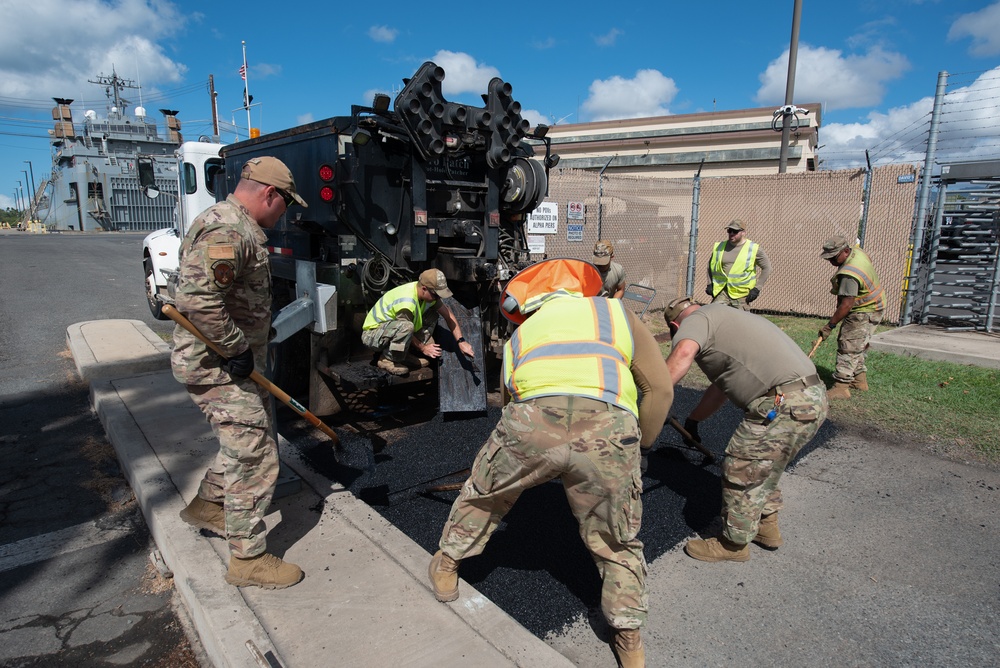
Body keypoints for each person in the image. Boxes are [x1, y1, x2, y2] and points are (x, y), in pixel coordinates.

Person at [428, 259, 673, 668]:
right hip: (608, 430)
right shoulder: (616, 313)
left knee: (485, 493)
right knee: (617, 536)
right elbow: (659, 389)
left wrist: (532, 461)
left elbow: (510, 404)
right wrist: (639, 448)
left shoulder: (520, 335)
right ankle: (628, 635)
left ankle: (448, 564)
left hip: (531, 425)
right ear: (584, 289)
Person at [174, 156, 308, 589]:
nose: (284, 213)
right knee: (256, 456)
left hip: (231, 363)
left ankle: (209, 506)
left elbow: (229, 296)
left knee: (250, 438)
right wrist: (236, 349)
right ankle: (248, 559)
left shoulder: (234, 224)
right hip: (218, 367)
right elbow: (199, 301)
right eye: (285, 203)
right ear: (269, 193)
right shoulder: (228, 228)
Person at [663, 296, 828, 563]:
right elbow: (720, 390)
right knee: (764, 465)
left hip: (782, 403)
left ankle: (733, 544)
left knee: (741, 467)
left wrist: (651, 400)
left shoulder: (696, 320)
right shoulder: (727, 319)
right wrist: (693, 421)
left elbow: (682, 354)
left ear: (674, 325)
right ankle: (766, 526)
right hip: (812, 398)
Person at [361, 268, 475, 375]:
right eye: (436, 295)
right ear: (424, 289)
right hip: (373, 335)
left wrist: (461, 341)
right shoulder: (407, 302)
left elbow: (448, 315)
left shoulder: (426, 295)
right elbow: (405, 329)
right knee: (407, 327)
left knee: (432, 315)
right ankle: (387, 359)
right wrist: (423, 348)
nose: (438, 299)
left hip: (393, 329)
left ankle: (403, 355)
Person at [818, 235, 885, 400]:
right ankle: (859, 381)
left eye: (834, 257)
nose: (831, 261)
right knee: (857, 344)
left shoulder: (849, 274)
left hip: (863, 310)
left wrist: (829, 326)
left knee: (848, 345)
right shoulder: (858, 253)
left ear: (845, 251)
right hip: (875, 304)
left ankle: (841, 387)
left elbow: (846, 305)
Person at [705, 219, 771, 309]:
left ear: (743, 232)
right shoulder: (719, 247)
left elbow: (767, 268)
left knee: (741, 321)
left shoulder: (753, 249)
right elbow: (710, 265)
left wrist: (757, 289)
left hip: (741, 294)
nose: (731, 233)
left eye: (735, 231)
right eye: (729, 231)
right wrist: (710, 283)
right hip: (722, 292)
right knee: (714, 316)